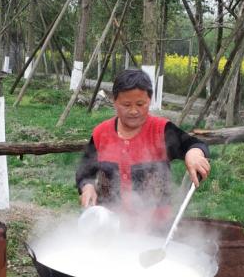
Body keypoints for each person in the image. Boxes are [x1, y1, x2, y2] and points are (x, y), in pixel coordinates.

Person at [76, 69, 211, 231]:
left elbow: (192, 144)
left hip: (155, 227)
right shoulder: (101, 133)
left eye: (140, 104)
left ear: (150, 100)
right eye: (126, 105)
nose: (134, 111)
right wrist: (87, 186)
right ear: (114, 101)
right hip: (110, 229)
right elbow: (85, 169)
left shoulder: (161, 130)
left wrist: (194, 154)